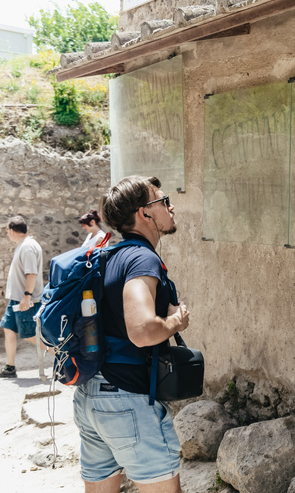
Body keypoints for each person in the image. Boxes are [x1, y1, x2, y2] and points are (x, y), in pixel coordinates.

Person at [72, 176, 190, 493]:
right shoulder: (142, 258)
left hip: (91, 395)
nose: (171, 206)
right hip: (127, 401)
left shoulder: (109, 256)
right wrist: (175, 323)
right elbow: (142, 330)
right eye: (164, 201)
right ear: (145, 213)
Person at [0, 216, 44, 378]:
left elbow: (31, 273)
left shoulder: (27, 247)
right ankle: (10, 367)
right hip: (16, 299)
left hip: (25, 300)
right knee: (8, 328)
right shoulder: (23, 246)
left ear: (12, 230)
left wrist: (27, 296)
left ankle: (64, 355)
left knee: (29, 335)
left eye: (7, 231)